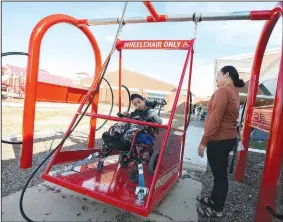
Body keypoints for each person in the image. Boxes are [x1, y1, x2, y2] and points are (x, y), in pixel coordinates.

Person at [197, 65, 245, 218]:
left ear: (226, 74)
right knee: (220, 173)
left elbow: (215, 119)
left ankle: (217, 209)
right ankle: (213, 200)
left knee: (219, 175)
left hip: (219, 139)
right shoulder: (234, 91)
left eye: (218, 75)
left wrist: (203, 142)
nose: (216, 78)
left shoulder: (222, 91)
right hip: (228, 138)